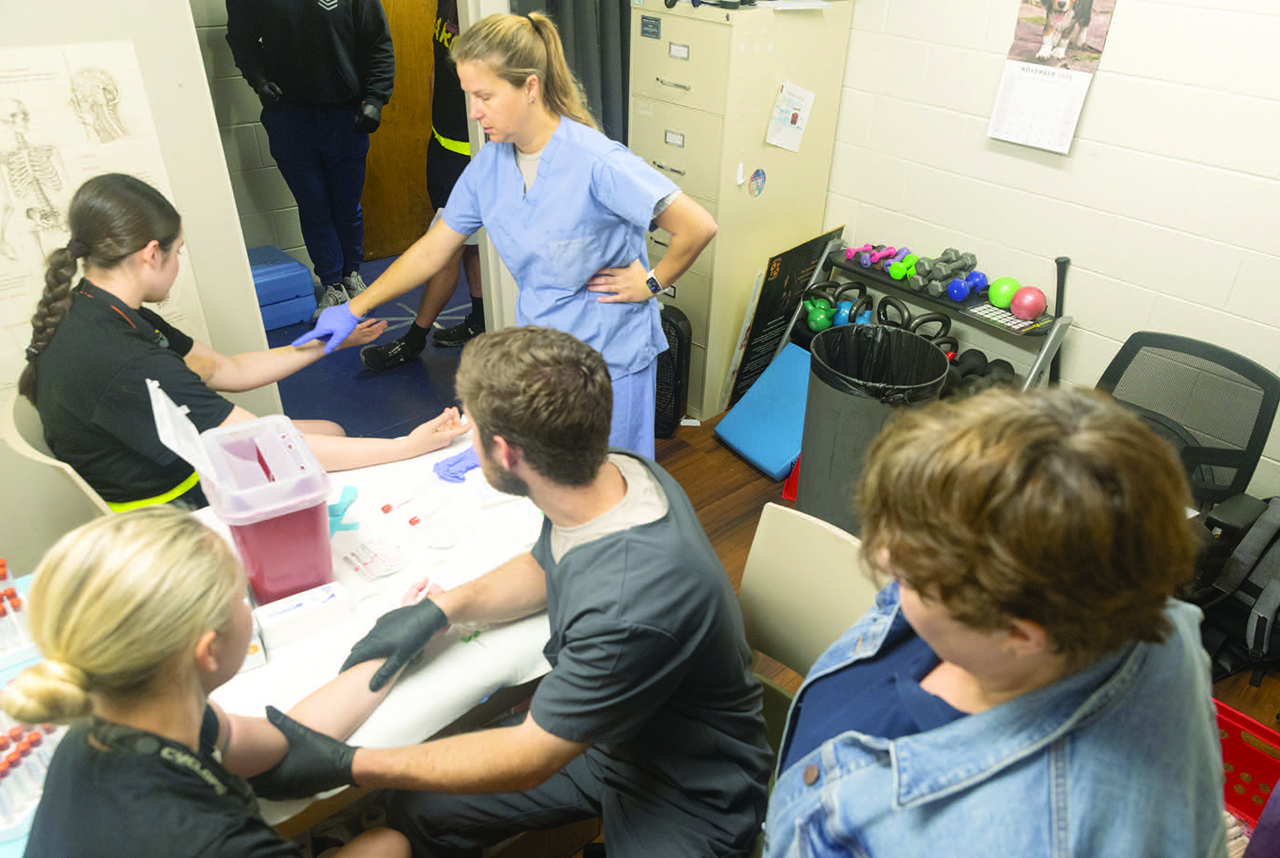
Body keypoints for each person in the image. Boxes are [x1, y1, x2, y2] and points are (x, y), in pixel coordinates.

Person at [274, 327, 772, 856]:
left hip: (690, 790)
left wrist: (353, 764)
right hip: (615, 739)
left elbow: (530, 756)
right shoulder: (612, 475)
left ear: (505, 453)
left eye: (473, 429)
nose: (469, 439)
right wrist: (448, 606)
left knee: (415, 781)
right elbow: (546, 564)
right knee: (424, 812)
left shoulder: (630, 604)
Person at [762, 388, 1227, 858]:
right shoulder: (1134, 603)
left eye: (916, 574)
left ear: (1020, 633)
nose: (884, 555)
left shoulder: (993, 837)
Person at [295, 12, 717, 458]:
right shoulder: (489, 167)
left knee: (612, 485)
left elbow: (697, 226)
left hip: (611, 360)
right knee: (556, 479)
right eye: (469, 96)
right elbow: (431, 251)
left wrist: (651, 282)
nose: (474, 112)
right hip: (544, 355)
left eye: (485, 96)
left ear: (530, 87)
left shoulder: (596, 161)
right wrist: (353, 308)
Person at [18, 173, 466, 511]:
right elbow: (259, 443)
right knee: (336, 459)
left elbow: (223, 370)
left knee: (330, 433)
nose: (178, 264)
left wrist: (326, 342)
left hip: (145, 460)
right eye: (177, 252)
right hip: (169, 504)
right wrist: (404, 446)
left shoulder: (96, 308)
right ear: (151, 254)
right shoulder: (125, 359)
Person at [1, 506, 410, 857]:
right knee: (390, 844)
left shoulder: (109, 724)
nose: (246, 605)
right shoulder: (221, 843)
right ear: (208, 651)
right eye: (240, 597)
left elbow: (287, 737)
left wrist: (401, 644)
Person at [224, 0, 393, 312]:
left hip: (346, 116)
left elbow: (377, 40)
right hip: (289, 118)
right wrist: (259, 79)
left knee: (346, 205)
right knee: (314, 205)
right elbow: (241, 38)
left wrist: (376, 97)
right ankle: (332, 284)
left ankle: (351, 275)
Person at [360, 0, 484, 372]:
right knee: (471, 243)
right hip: (443, 143)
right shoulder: (446, 3)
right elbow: (438, 67)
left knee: (448, 245)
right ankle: (480, 318)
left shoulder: (484, 12)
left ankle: (414, 338)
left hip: (471, 152)